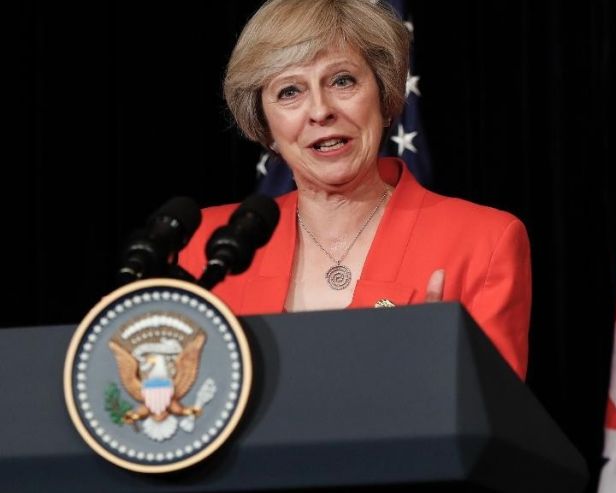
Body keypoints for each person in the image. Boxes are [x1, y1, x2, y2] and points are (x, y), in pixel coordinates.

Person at [178, 0, 532, 379]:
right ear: (264, 125)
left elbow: (493, 426)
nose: (320, 110)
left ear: (384, 96)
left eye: (342, 80)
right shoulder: (207, 245)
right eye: (289, 92)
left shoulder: (482, 243)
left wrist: (439, 382)